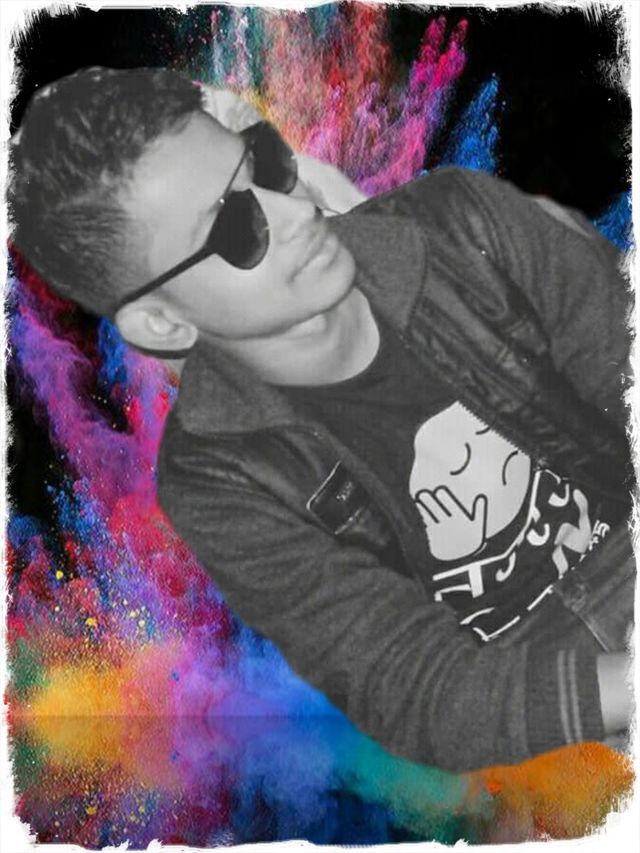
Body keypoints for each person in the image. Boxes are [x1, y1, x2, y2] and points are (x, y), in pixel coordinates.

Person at [9, 67, 635, 772]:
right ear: (162, 322)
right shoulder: (217, 478)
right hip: (546, 706)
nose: (295, 212)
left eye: (268, 165)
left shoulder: (461, 228)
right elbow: (414, 687)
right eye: (235, 228)